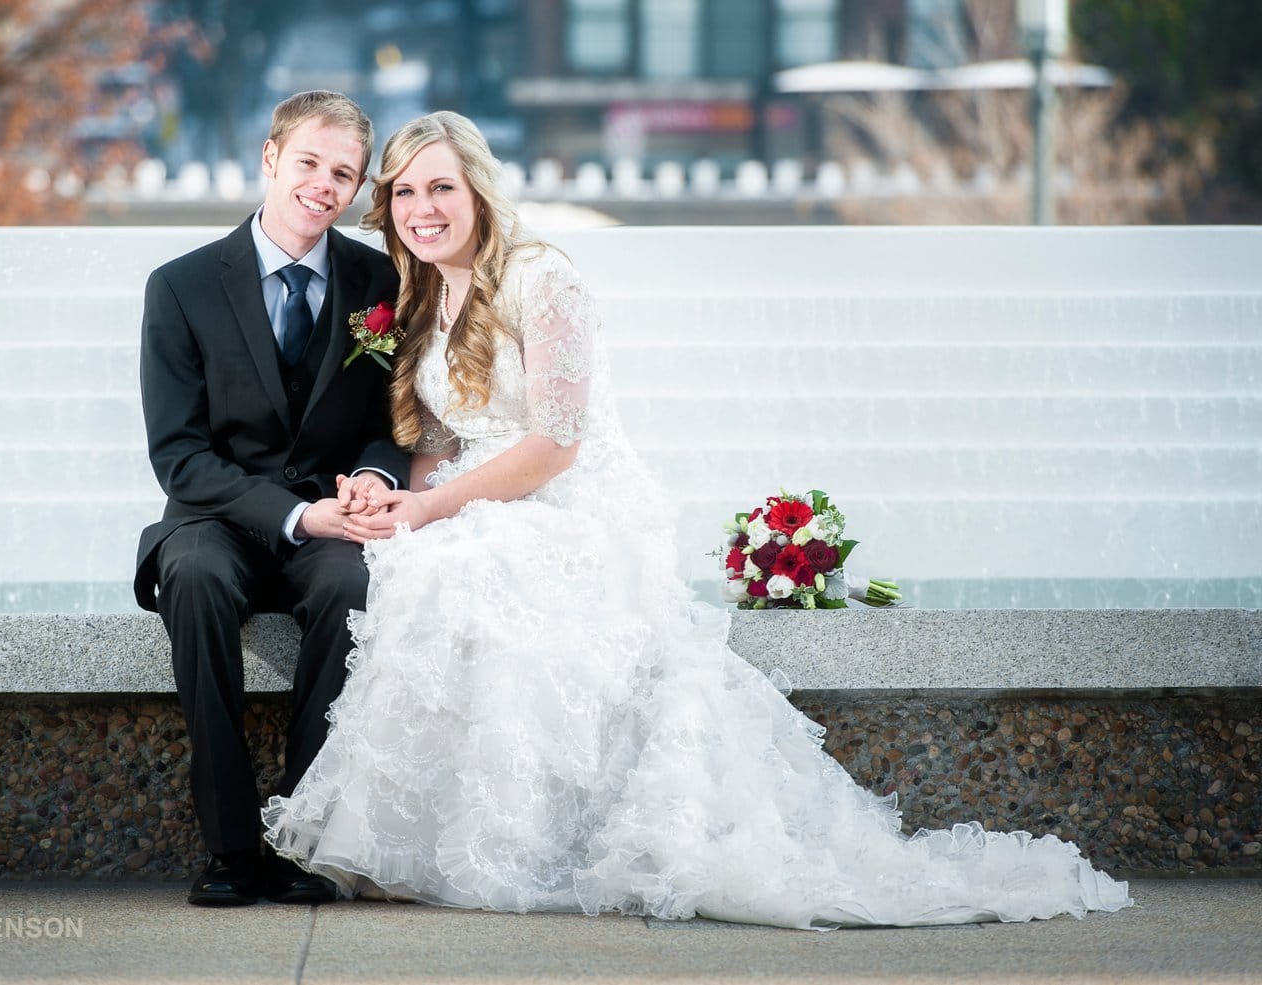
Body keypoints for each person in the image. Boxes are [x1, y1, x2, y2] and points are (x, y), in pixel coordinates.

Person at [261, 111, 1133, 928]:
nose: (422, 208)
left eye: (441, 188)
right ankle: (425, 837)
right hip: (475, 490)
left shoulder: (542, 278)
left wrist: (431, 507)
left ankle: (513, 840)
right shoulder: (421, 300)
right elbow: (441, 439)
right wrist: (389, 493)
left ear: (480, 192)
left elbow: (556, 442)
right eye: (405, 192)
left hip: (563, 504)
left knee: (456, 567)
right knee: (405, 561)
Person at [135, 90, 403, 907]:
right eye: (310, 163)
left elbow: (400, 416)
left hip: (335, 523)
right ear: (270, 157)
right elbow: (178, 454)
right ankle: (228, 847)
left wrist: (376, 475)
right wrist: (289, 512)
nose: (324, 186)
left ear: (358, 188)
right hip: (216, 521)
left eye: (344, 174)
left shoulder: (382, 281)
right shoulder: (180, 286)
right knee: (197, 582)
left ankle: (300, 841)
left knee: (352, 585)